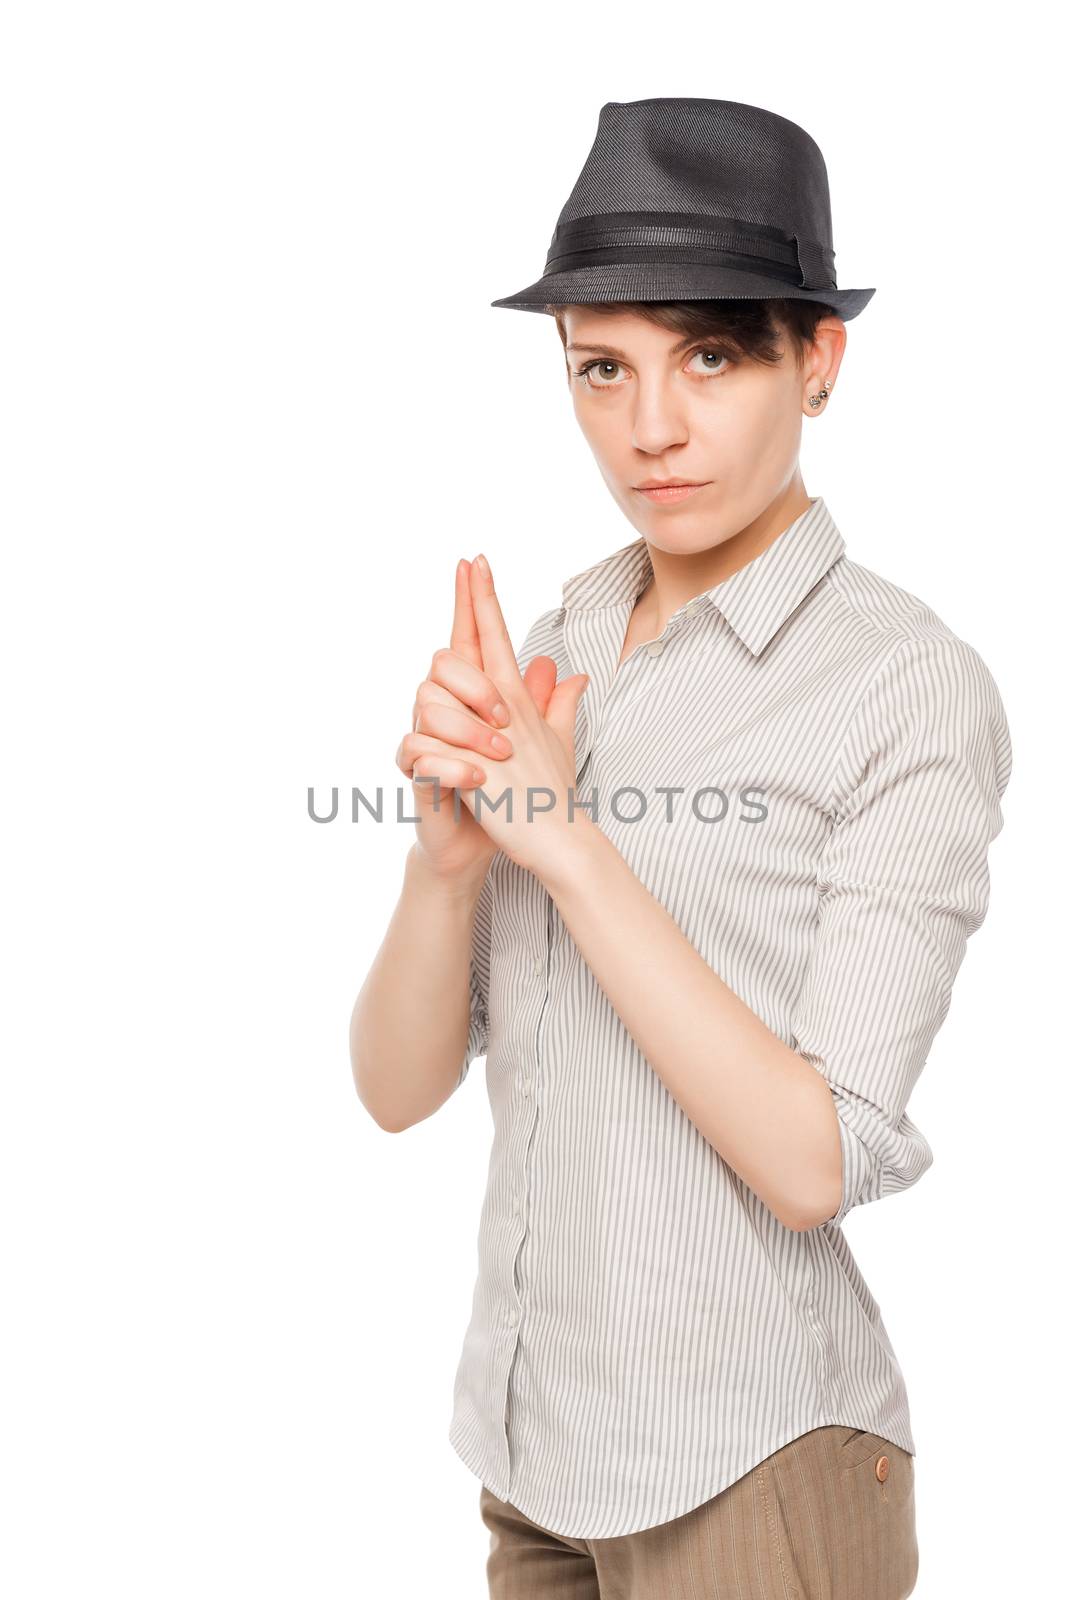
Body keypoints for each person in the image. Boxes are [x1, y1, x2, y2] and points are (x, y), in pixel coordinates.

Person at [349, 99, 1012, 1599]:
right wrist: (450, 858)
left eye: (710, 356)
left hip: (752, 1461)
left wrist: (568, 845)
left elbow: (812, 1162)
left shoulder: (906, 686)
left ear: (817, 362)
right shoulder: (565, 647)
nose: (651, 426)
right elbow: (396, 1094)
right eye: (604, 368)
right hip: (534, 1458)